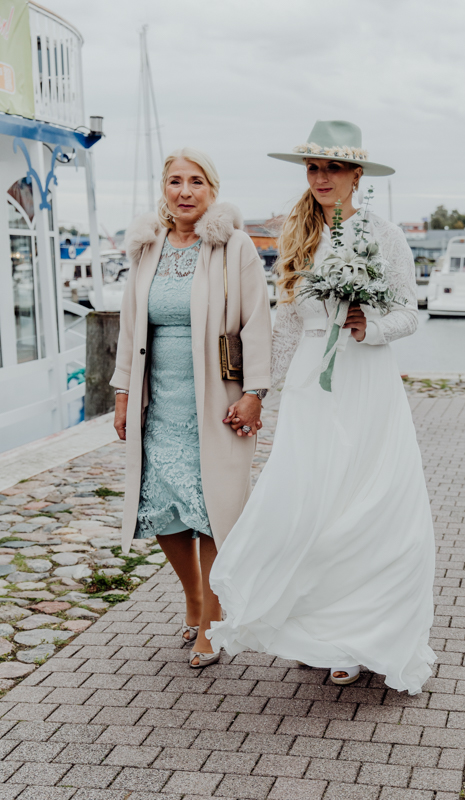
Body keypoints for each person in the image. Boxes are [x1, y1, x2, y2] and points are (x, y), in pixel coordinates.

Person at [208, 121, 436, 693]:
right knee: (310, 505)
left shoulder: (385, 236)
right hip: (314, 386)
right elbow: (286, 326)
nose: (321, 178)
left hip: (366, 380)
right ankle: (317, 627)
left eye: (332, 168)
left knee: (368, 505)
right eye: (313, 168)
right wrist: (259, 392)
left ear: (357, 176)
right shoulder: (297, 235)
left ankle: (361, 637)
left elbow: (410, 312)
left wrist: (371, 325)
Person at [111, 147, 271, 668]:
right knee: (162, 508)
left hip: (218, 401)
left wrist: (254, 393)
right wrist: (122, 394)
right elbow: (131, 325)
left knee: (213, 512)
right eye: (175, 181)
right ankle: (194, 597)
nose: (185, 191)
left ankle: (213, 619)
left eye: (196, 182)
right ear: (164, 189)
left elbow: (257, 323)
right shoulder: (147, 247)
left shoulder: (234, 245)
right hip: (158, 401)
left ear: (212, 189)